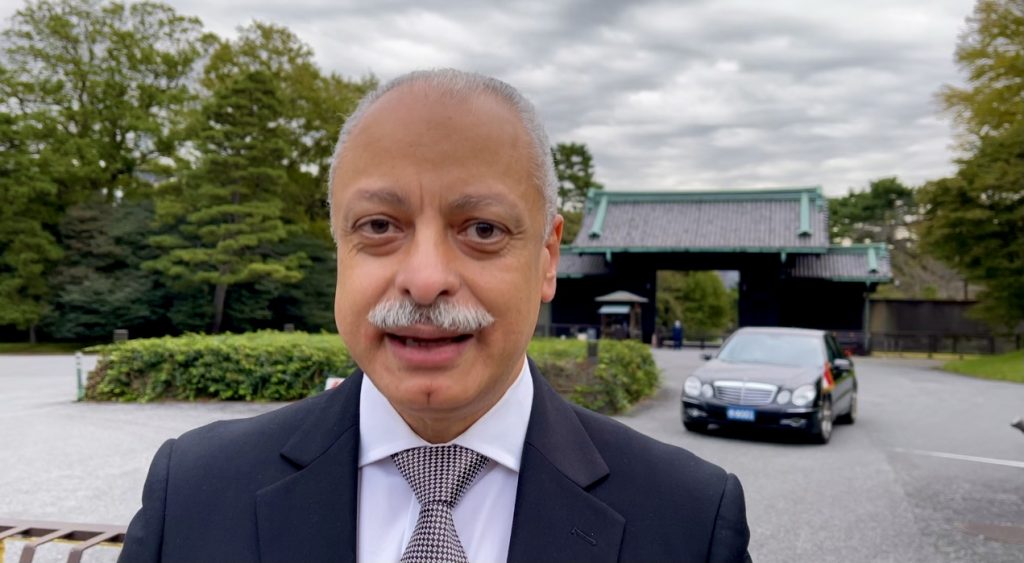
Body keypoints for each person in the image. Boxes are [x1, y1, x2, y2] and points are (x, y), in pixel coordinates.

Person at [118, 69, 751, 563]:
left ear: (548, 257)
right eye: (379, 226)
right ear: (339, 242)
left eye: (481, 228)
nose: (425, 280)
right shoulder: (195, 491)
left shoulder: (688, 518)